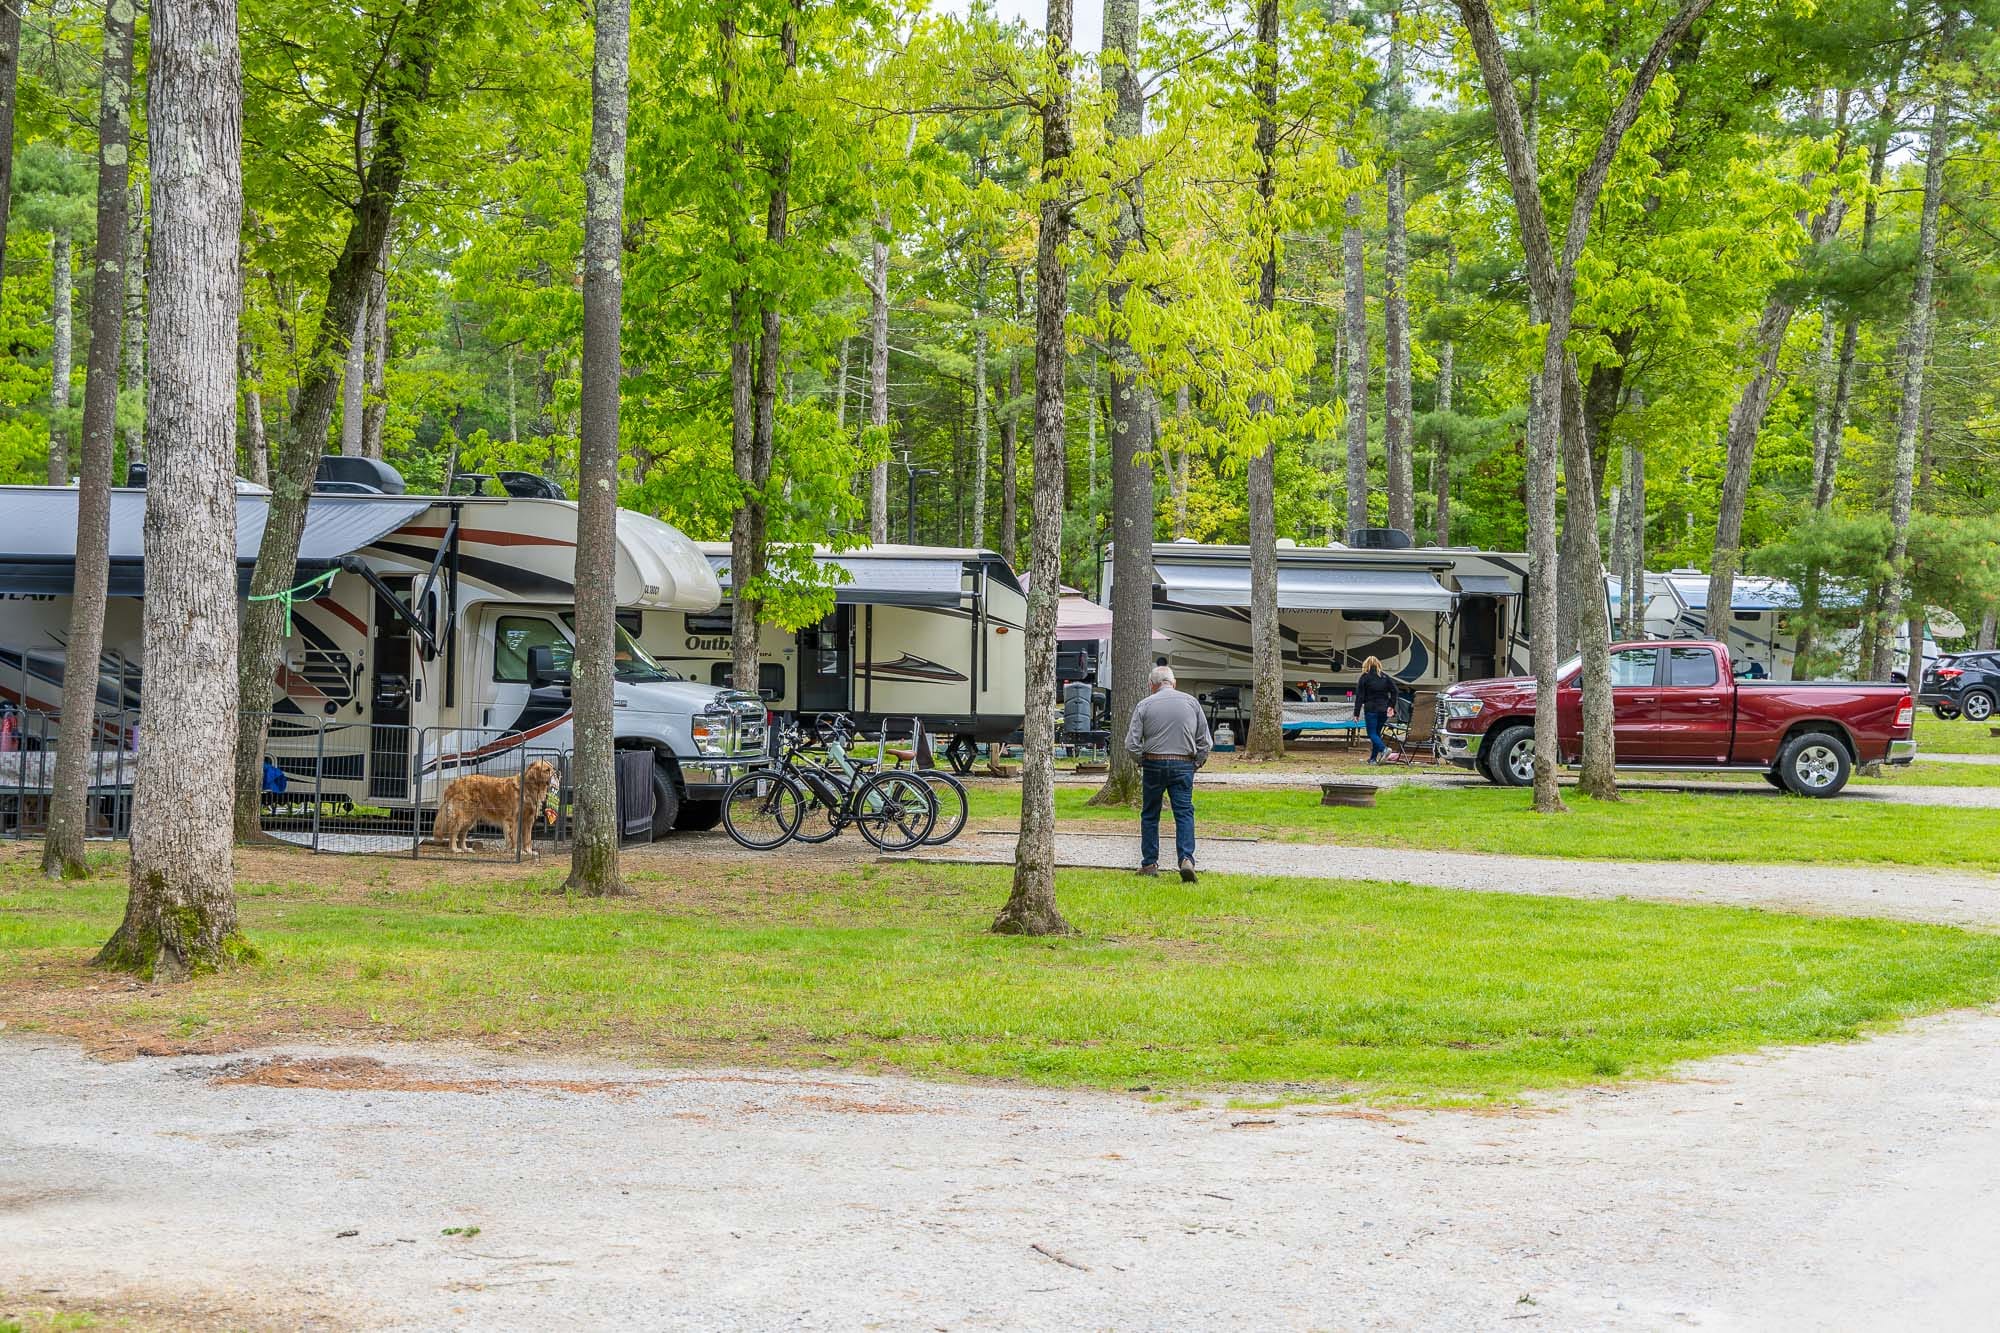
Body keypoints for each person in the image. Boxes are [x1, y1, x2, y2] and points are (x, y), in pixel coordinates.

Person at [1124, 663, 1213, 882]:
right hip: (1183, 763)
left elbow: (1131, 744)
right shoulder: (1191, 703)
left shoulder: (1144, 705)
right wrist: (1196, 763)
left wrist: (1142, 761)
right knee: (1184, 812)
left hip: (1154, 763)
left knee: (1150, 814)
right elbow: (1205, 741)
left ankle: (1150, 863)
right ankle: (1186, 859)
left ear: (1151, 685)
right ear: (1174, 683)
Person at [1353, 655, 1398, 764]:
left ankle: (1384, 749)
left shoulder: (1364, 678)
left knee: (1372, 733)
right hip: (1383, 709)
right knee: (1376, 734)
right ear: (1378, 665)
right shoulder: (1385, 677)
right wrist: (1391, 705)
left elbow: (1359, 697)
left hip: (1371, 708)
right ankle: (1372, 759)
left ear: (1366, 665)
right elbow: (1395, 691)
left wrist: (1356, 713)